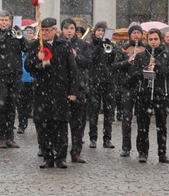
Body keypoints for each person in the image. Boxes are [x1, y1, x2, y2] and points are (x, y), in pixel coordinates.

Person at [24, 17, 77, 169]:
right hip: (42, 91)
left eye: (48, 31)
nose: (45, 34)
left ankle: (60, 157)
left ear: (55, 30)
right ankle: (47, 157)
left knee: (60, 125)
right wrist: (38, 61)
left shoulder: (64, 45)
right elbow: (28, 66)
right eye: (43, 31)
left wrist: (73, 90)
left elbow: (72, 70)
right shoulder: (36, 45)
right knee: (43, 126)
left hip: (60, 91)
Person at [131, 28, 169, 164]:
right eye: (150, 39)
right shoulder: (141, 55)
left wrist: (159, 66)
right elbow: (133, 74)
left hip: (161, 95)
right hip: (144, 95)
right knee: (142, 126)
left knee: (161, 126)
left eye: (155, 39)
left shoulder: (167, 55)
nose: (153, 42)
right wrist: (145, 69)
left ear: (160, 39)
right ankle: (143, 153)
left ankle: (162, 153)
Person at [0, 10, 28, 149]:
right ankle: (2, 138)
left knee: (12, 107)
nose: (4, 23)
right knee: (2, 107)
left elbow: (26, 47)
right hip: (1, 75)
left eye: (7, 20)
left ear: (10, 21)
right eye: (2, 20)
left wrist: (20, 36)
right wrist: (4, 36)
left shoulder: (15, 34)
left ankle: (10, 138)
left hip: (15, 74)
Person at [59, 17, 92, 163]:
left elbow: (89, 62)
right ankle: (59, 152)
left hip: (79, 88)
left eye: (71, 28)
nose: (69, 31)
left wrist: (76, 56)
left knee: (78, 123)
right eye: (66, 28)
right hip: (61, 88)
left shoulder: (83, 44)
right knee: (59, 122)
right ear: (62, 30)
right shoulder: (57, 43)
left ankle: (76, 152)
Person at [113, 25, 146, 157]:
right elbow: (116, 65)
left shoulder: (145, 48)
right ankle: (126, 147)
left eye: (138, 33)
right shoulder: (123, 48)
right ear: (130, 35)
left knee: (142, 120)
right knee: (126, 120)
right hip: (126, 86)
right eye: (134, 33)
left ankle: (141, 148)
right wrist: (128, 61)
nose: (136, 35)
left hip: (141, 87)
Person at [88, 21, 117, 149]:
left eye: (103, 30)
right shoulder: (90, 44)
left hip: (108, 81)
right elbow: (90, 59)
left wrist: (110, 48)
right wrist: (99, 46)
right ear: (95, 32)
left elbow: (113, 61)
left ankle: (107, 139)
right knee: (93, 112)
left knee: (108, 112)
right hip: (94, 81)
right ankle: (93, 138)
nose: (100, 33)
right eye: (98, 30)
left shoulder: (111, 45)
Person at [17, 26, 35, 134]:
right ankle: (21, 125)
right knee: (21, 104)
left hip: (33, 79)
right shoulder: (21, 46)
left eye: (31, 33)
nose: (29, 35)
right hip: (23, 79)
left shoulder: (35, 45)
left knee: (35, 103)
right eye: (27, 33)